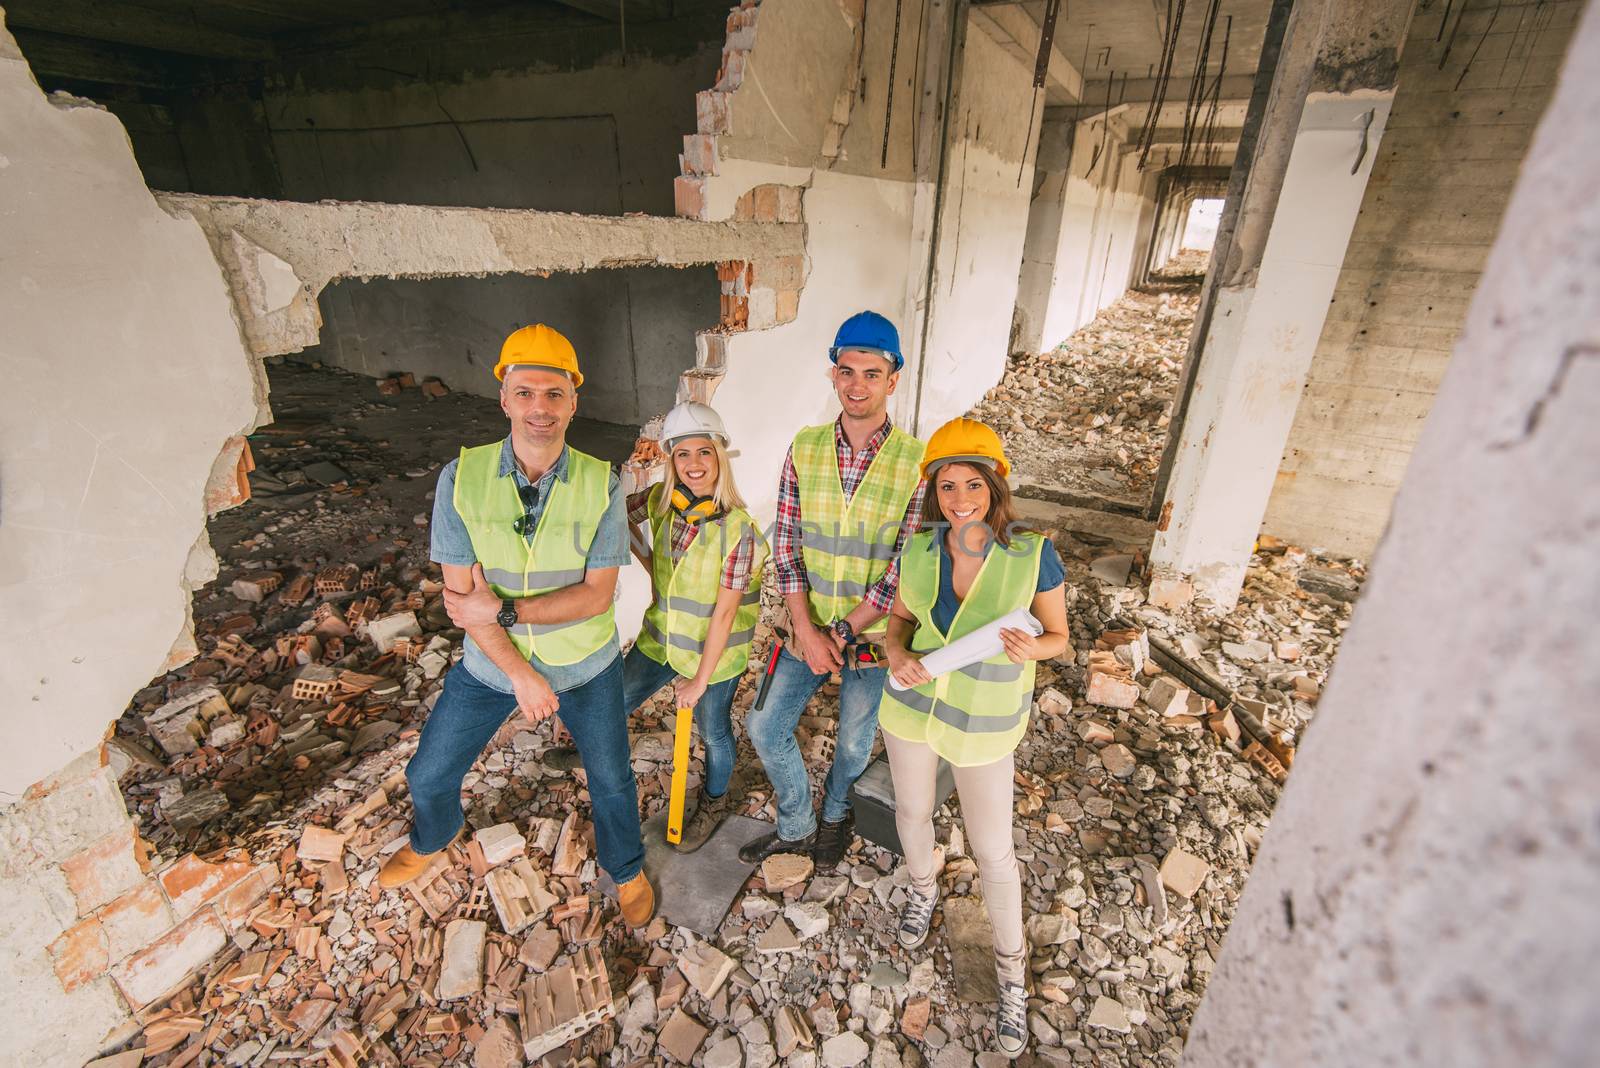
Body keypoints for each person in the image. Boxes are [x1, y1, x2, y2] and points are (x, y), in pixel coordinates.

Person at [377, 323, 655, 929]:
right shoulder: (461, 478)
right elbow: (460, 599)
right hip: (490, 668)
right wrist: (521, 676)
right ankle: (435, 834)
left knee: (611, 780)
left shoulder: (602, 482)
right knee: (428, 772)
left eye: (554, 394)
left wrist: (503, 610)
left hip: (587, 664)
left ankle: (626, 866)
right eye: (525, 392)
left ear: (574, 402)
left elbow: (595, 598)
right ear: (504, 398)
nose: (540, 409)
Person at [880, 417, 1070, 1058]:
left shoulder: (1032, 553)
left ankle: (1012, 972)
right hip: (914, 705)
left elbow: (1061, 640)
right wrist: (894, 652)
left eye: (974, 484)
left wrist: (1033, 646)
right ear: (933, 488)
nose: (961, 498)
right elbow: (898, 624)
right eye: (948, 484)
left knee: (993, 850)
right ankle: (922, 888)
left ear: (995, 486)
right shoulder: (919, 550)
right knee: (912, 811)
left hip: (983, 716)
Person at [741, 311, 926, 869]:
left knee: (851, 744)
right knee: (765, 727)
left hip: (870, 639)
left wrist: (842, 633)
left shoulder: (916, 462)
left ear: (893, 380)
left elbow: (903, 568)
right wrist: (808, 630)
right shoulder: (806, 447)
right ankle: (796, 823)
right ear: (834, 375)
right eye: (847, 371)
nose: (857, 386)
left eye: (872, 374)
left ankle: (836, 814)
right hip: (809, 627)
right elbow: (788, 544)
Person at [621, 402, 769, 851]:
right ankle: (592, 750)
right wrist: (650, 564)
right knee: (616, 699)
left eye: (703, 453)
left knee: (713, 730)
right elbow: (618, 514)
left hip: (714, 656)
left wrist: (699, 682)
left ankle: (716, 798)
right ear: (671, 461)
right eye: (682, 455)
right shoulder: (662, 504)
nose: (693, 465)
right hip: (661, 638)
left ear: (720, 458)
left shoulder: (738, 531)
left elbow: (724, 614)